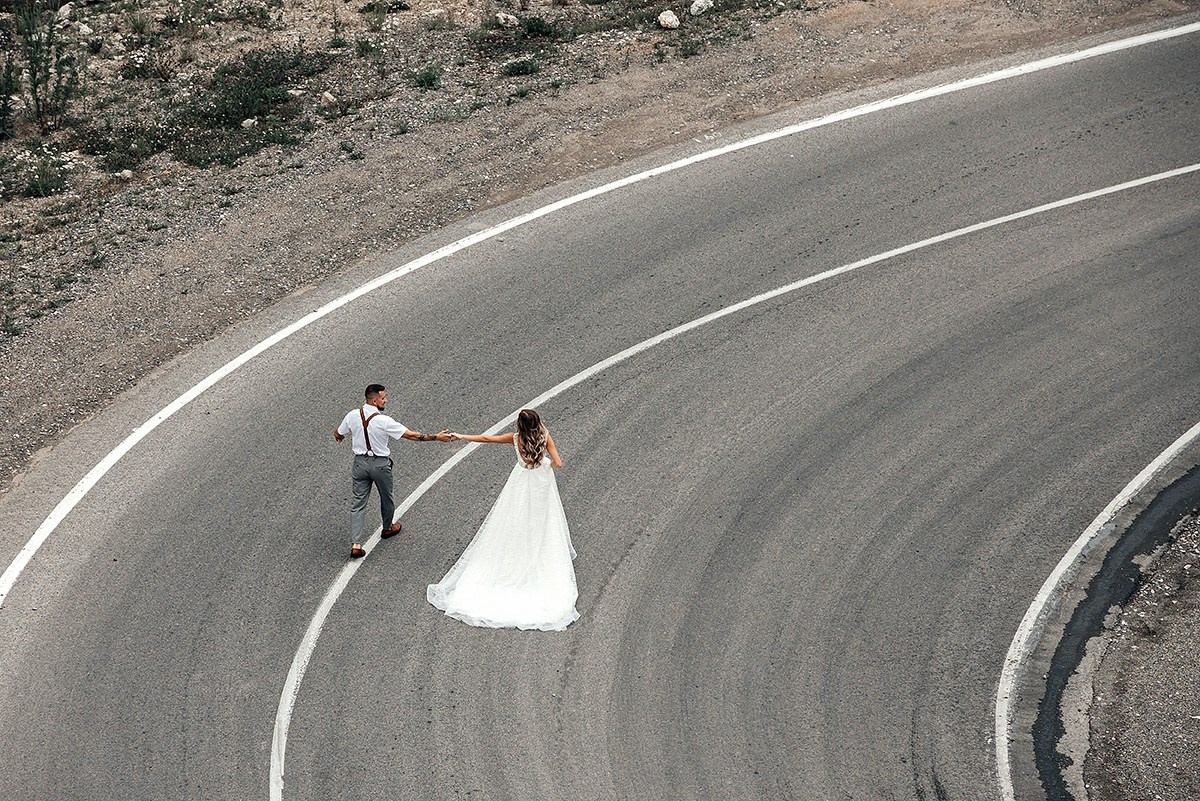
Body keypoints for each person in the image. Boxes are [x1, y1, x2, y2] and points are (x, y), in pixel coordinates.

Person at [427, 409, 579, 630]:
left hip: (520, 481)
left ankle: (516, 553)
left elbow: (488, 438)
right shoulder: (545, 436)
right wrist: (544, 464)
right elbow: (558, 463)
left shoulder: (515, 438)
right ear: (537, 422)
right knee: (542, 520)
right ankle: (537, 552)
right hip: (540, 483)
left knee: (514, 518)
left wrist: (461, 436)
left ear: (520, 425)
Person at [335, 384, 451, 558]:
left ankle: (356, 544)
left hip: (359, 463)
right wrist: (437, 437)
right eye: (383, 398)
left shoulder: (352, 415)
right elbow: (412, 436)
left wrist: (342, 436)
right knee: (386, 496)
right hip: (380, 465)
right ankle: (388, 527)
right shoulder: (384, 421)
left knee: (358, 503)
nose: (385, 400)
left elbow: (338, 433)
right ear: (374, 400)